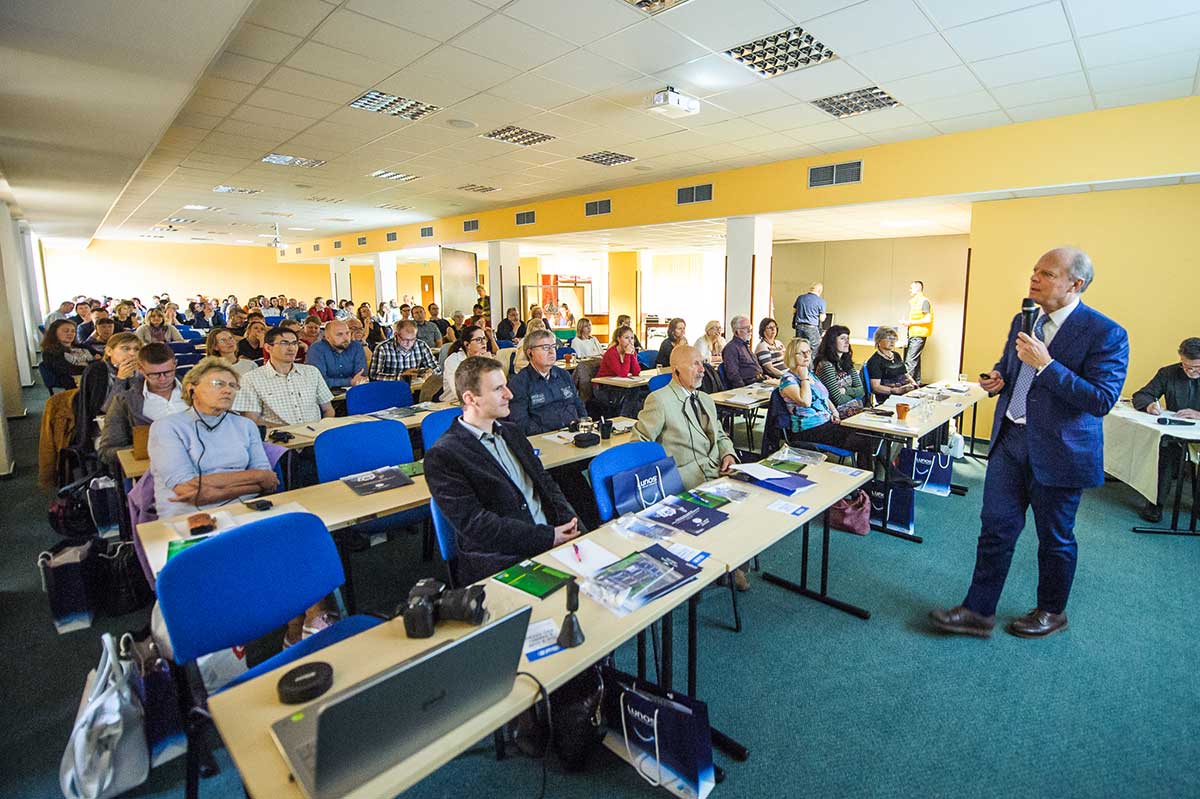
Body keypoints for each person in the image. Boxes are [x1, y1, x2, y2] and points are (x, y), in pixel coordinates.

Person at [930, 247, 1128, 640]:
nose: (1035, 278)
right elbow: (1010, 368)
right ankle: (977, 612)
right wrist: (997, 378)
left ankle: (1052, 611)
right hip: (1010, 440)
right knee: (995, 530)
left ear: (1075, 284)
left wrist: (1047, 365)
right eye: (1035, 270)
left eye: (1048, 273)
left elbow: (1101, 399)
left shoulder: (1106, 333)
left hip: (1061, 451)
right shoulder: (1023, 319)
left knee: (1055, 538)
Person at [425, 356, 582, 585]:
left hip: (553, 540)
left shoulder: (512, 433)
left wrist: (570, 523)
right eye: (499, 389)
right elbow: (477, 525)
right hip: (504, 559)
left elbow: (546, 484)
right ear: (470, 399)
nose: (509, 394)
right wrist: (547, 537)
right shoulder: (444, 455)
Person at [777, 338, 877, 468]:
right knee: (864, 441)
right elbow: (805, 402)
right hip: (808, 429)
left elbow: (824, 396)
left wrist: (834, 412)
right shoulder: (788, 379)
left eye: (808, 351)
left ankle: (881, 473)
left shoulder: (810, 374)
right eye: (801, 353)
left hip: (826, 423)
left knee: (868, 433)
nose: (807, 356)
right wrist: (804, 378)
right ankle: (869, 478)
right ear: (791, 355)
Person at [1131, 336, 1200, 522]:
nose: (1191, 371)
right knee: (1164, 449)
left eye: (1196, 367)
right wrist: (1149, 406)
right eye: (1186, 366)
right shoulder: (1168, 373)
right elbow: (1142, 395)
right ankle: (1155, 503)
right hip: (1177, 434)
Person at [98, 343, 187, 469]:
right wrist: (143, 449)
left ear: (175, 364)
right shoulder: (125, 401)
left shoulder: (197, 392)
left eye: (168, 372)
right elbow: (106, 451)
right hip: (153, 469)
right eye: (154, 374)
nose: (163, 379)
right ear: (140, 369)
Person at [233, 326, 335, 427]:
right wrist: (288, 430)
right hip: (278, 435)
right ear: (268, 348)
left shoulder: (312, 372)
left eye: (294, 343)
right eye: (284, 343)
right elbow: (251, 420)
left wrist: (323, 429)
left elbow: (328, 409)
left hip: (315, 433)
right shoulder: (251, 379)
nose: (291, 348)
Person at [507, 329, 587, 435]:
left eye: (553, 346)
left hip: (574, 433)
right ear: (530, 352)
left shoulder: (563, 375)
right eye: (545, 347)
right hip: (543, 437)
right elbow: (521, 422)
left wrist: (584, 426)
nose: (551, 352)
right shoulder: (519, 383)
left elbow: (578, 405)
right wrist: (550, 435)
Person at [75, 332, 142, 448]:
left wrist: (133, 378)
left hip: (136, 424)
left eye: (136, 349)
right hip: (103, 427)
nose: (132, 353)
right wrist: (121, 379)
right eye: (125, 348)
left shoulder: (141, 371)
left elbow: (139, 405)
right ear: (109, 351)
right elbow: (105, 409)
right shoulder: (97, 370)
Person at [813, 325, 866, 416]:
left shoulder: (847, 363)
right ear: (832, 342)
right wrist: (854, 395)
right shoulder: (826, 366)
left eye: (848, 338)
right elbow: (838, 400)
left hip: (855, 411)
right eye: (842, 338)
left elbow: (861, 392)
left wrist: (845, 390)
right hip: (836, 414)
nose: (847, 342)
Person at [306, 319, 369, 390]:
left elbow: (361, 376)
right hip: (325, 393)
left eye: (347, 333)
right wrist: (350, 381)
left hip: (354, 391)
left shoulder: (356, 346)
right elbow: (319, 381)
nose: (346, 338)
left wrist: (354, 381)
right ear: (327, 337)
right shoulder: (317, 349)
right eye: (339, 334)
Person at [368, 319, 437, 381]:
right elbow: (373, 375)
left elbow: (436, 368)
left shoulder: (421, 345)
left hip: (416, 387)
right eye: (405, 339)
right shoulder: (382, 348)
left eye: (412, 339)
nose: (409, 343)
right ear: (396, 335)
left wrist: (429, 372)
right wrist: (401, 377)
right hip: (391, 387)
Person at [441, 325, 490, 405]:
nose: (484, 342)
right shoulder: (453, 360)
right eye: (478, 340)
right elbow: (459, 392)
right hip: (451, 404)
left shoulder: (485, 358)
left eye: (484, 338)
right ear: (467, 344)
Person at [41, 319, 94, 388]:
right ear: (54, 333)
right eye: (66, 331)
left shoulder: (81, 346)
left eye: (73, 331)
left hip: (90, 377)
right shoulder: (50, 352)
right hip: (74, 384)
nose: (70, 334)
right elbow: (68, 369)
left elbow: (100, 356)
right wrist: (92, 367)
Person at [866, 326, 917, 397]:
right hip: (889, 395)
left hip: (904, 391)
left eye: (894, 339)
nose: (892, 341)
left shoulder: (896, 355)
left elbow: (905, 374)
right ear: (879, 340)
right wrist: (896, 390)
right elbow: (876, 387)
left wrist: (914, 385)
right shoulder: (875, 361)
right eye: (889, 338)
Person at [721, 315, 763, 387]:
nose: (750, 331)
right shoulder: (731, 348)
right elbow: (733, 374)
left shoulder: (745, 345)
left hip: (759, 381)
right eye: (746, 328)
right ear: (736, 331)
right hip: (748, 385)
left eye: (750, 327)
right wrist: (743, 389)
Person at [904, 280, 933, 382]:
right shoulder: (916, 302)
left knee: (910, 361)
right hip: (914, 334)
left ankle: (906, 385)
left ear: (917, 288)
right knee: (915, 361)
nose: (910, 290)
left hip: (919, 335)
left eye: (911, 288)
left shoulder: (924, 301)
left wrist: (910, 322)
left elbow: (927, 319)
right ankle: (916, 384)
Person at [792, 282, 826, 350]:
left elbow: (794, 311)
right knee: (814, 349)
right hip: (812, 328)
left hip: (799, 327)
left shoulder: (800, 298)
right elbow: (822, 319)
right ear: (820, 291)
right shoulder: (820, 301)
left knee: (799, 348)